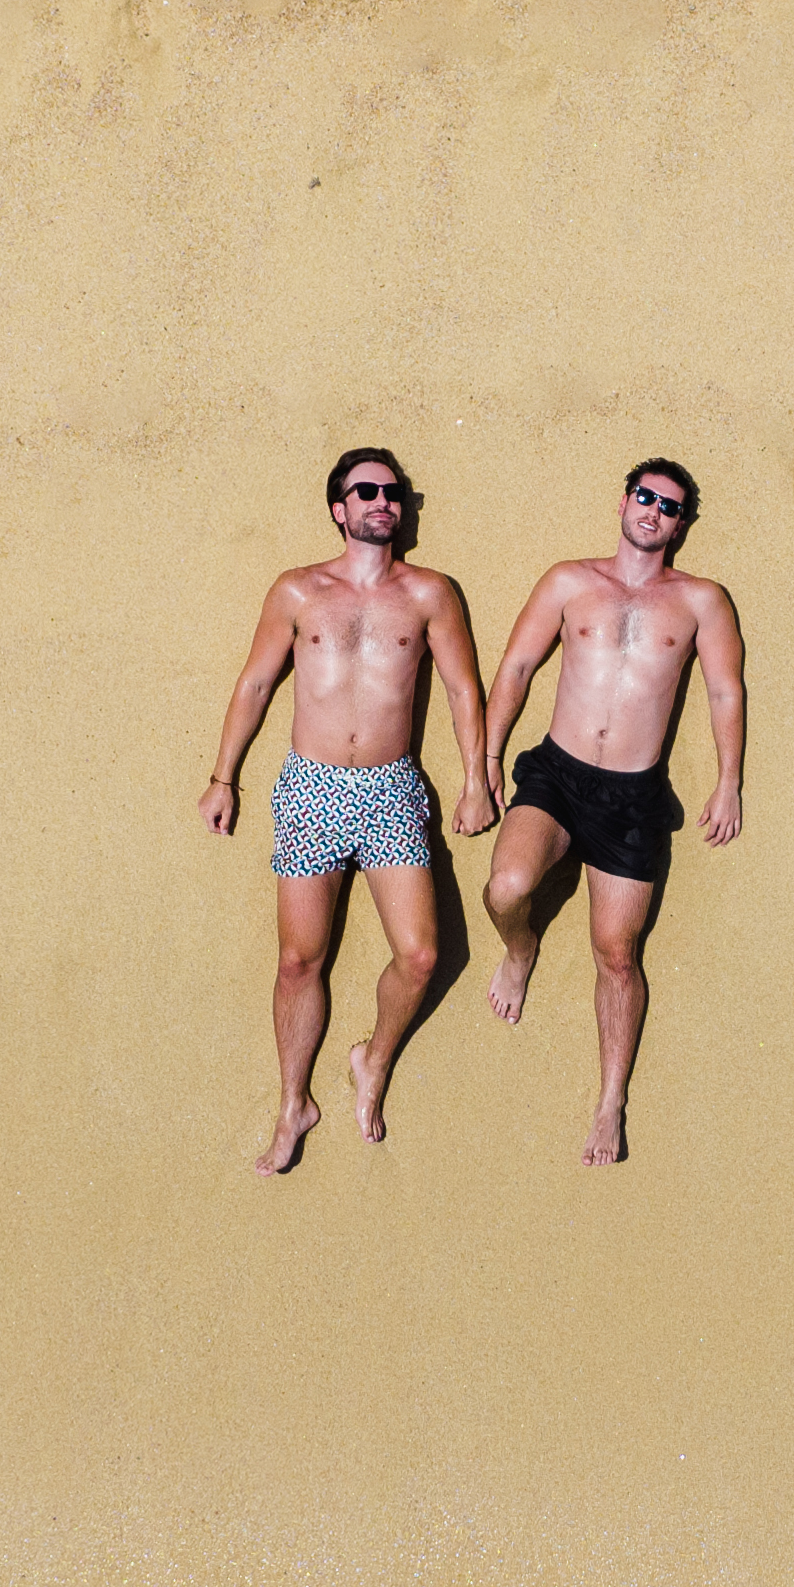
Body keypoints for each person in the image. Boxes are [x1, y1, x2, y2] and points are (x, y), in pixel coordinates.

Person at [197, 447, 495, 1173]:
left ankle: (373, 1056)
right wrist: (223, 776)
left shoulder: (429, 593)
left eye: (393, 493)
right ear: (339, 507)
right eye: (365, 491)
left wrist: (476, 780)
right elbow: (255, 684)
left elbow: (462, 689)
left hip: (391, 788)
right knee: (300, 960)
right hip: (312, 787)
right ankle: (293, 1102)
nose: (381, 502)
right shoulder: (298, 592)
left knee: (421, 955)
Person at [479, 458, 747, 1164]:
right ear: (624, 500)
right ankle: (520, 948)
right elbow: (514, 669)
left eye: (670, 505)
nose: (654, 510)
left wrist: (729, 782)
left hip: (633, 794)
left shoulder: (701, 601)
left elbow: (724, 690)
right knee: (506, 888)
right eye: (645, 496)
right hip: (558, 776)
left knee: (618, 954)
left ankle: (609, 1102)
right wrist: (483, 764)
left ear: (682, 524)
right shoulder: (570, 581)